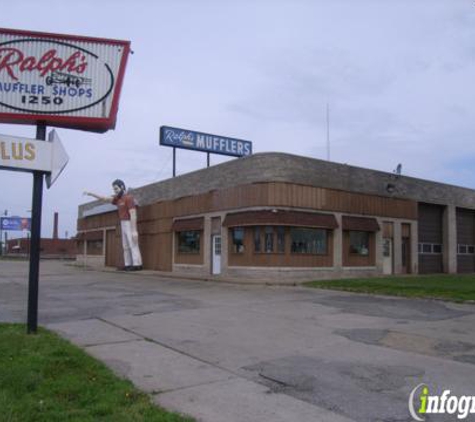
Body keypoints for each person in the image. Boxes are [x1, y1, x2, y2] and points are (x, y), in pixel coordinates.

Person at [84, 179, 143, 271]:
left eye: (116, 189)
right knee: (125, 245)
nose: (115, 191)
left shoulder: (129, 198)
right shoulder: (117, 199)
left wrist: (134, 230)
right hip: (122, 223)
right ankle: (128, 264)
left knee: (133, 244)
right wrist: (91, 194)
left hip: (129, 222)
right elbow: (103, 198)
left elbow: (133, 214)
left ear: (122, 187)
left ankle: (137, 264)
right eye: (114, 189)